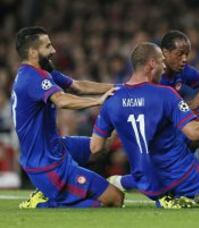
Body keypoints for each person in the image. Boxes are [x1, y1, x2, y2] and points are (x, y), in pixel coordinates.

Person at [90, 42, 199, 208]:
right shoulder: (165, 94)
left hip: (148, 182)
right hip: (182, 174)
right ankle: (198, 199)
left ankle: (166, 199)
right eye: (161, 62)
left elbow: (96, 148)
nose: (164, 68)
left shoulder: (112, 100)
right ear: (152, 64)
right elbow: (194, 133)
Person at [12, 26, 124, 208]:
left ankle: (53, 192)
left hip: (53, 147)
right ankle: (47, 202)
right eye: (48, 46)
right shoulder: (32, 78)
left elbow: (77, 86)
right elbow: (61, 100)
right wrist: (99, 101)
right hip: (46, 164)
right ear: (33, 52)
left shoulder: (43, 72)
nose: (54, 50)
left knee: (99, 147)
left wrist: (122, 87)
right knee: (115, 198)